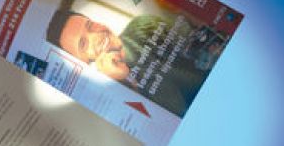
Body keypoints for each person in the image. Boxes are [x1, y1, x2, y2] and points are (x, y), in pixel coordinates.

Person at [46, 10, 214, 117]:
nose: (96, 36)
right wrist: (122, 84)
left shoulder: (143, 25)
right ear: (81, 62)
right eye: (83, 44)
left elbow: (202, 45)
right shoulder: (108, 100)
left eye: (90, 25)